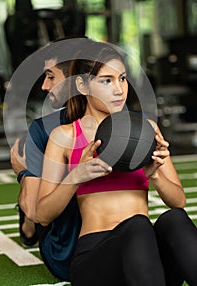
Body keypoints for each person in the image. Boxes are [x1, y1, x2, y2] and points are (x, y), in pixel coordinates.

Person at [34, 40, 187, 286]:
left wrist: (155, 175)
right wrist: (75, 176)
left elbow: (178, 202)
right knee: (137, 225)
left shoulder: (146, 130)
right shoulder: (64, 137)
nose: (119, 89)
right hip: (96, 262)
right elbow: (42, 215)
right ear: (82, 85)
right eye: (107, 80)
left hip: (147, 262)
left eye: (123, 79)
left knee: (174, 220)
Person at [10, 37, 88, 248]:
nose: (44, 86)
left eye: (51, 77)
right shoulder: (43, 130)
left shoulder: (120, 124)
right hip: (65, 246)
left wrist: (23, 173)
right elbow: (35, 218)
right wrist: (27, 175)